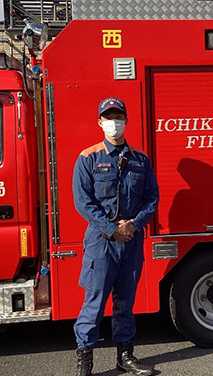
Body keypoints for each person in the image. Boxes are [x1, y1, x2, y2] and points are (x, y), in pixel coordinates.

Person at [72, 97, 159, 376]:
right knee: (94, 302)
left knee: (125, 301)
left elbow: (152, 198)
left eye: (118, 116)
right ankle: (85, 363)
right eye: (108, 117)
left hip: (131, 240)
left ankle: (126, 357)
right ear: (99, 122)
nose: (114, 122)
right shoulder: (88, 158)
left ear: (126, 120)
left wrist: (133, 225)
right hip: (102, 242)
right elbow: (82, 202)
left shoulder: (140, 160)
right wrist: (113, 229)